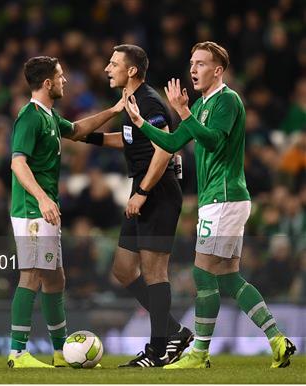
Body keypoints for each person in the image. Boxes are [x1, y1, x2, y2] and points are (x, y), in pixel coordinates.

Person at [124, 41, 296, 369]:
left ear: (218, 70)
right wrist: (141, 123)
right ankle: (277, 340)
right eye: (192, 63)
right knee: (229, 278)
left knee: (202, 273)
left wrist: (184, 112)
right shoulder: (204, 103)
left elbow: (215, 141)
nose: (193, 69)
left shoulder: (227, 100)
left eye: (201, 63)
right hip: (218, 200)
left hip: (224, 197)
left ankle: (199, 353)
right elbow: (174, 142)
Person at [8, 56, 124, 368]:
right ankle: (17, 353)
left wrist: (113, 111)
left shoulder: (49, 116)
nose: (64, 81)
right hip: (33, 209)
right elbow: (17, 162)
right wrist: (43, 199)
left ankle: (60, 352)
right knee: (31, 275)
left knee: (55, 279)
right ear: (47, 83)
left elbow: (76, 131)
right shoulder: (29, 117)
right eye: (60, 76)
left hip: (44, 210)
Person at [83, 44, 193, 367]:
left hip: (157, 191)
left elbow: (163, 149)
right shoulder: (132, 102)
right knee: (123, 269)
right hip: (143, 188)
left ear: (132, 71)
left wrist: (143, 191)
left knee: (155, 271)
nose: (107, 68)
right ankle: (173, 330)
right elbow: (131, 138)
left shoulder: (149, 101)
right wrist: (91, 138)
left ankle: (159, 350)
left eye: (114, 63)